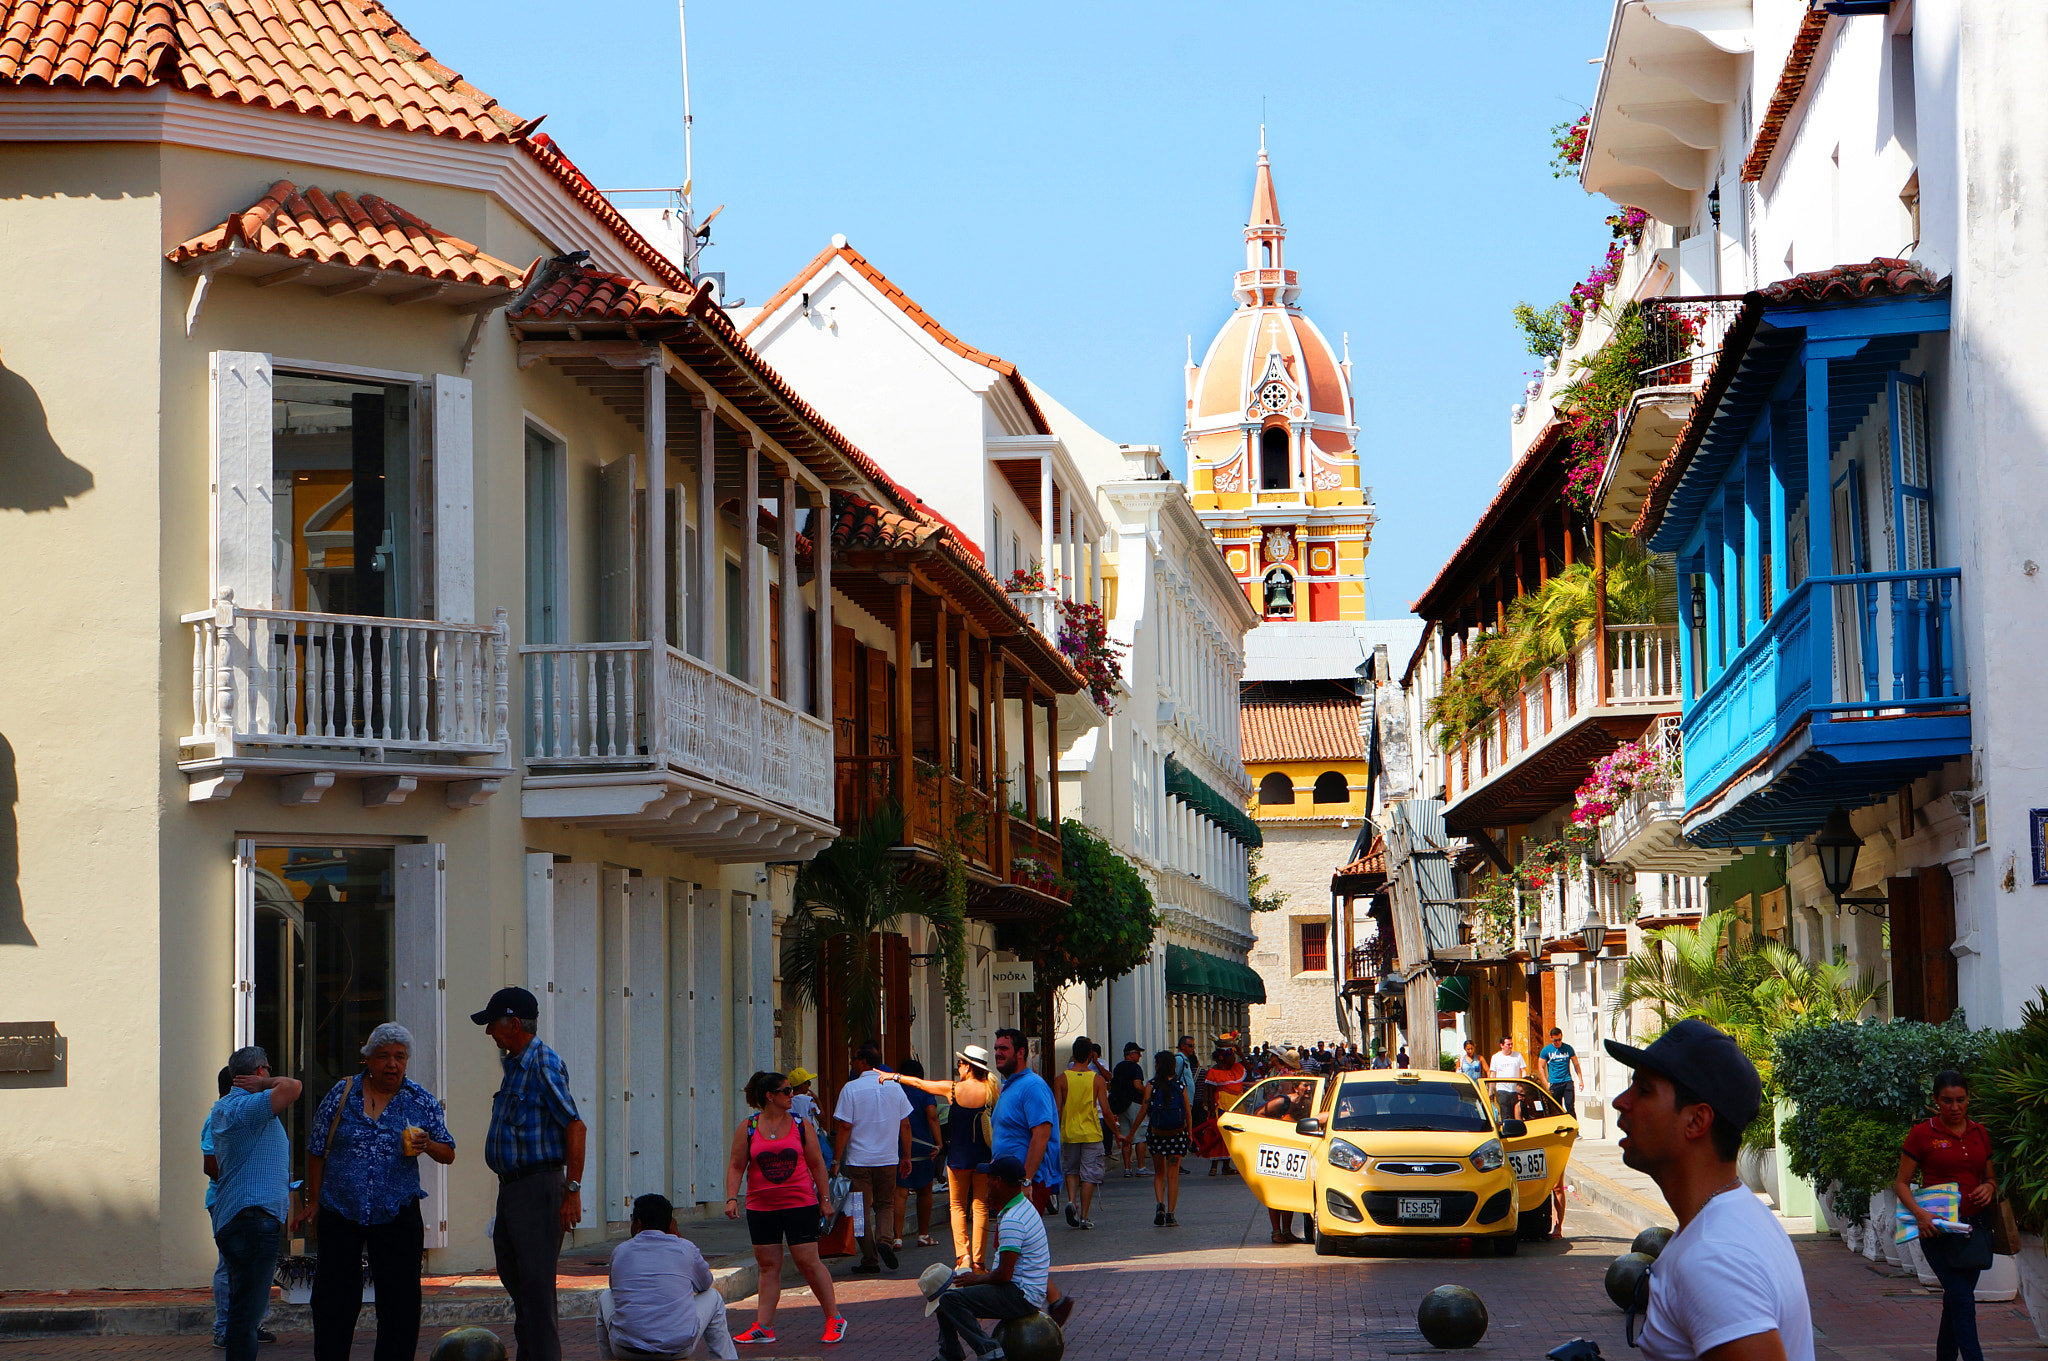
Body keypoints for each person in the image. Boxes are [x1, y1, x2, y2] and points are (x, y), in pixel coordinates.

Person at [1608, 1019, 1813, 1361]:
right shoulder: (1732, 1218)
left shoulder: (1711, 1257)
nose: (1620, 1101)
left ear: (1696, 1121)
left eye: (1643, 1090)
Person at [296, 1022, 456, 1361]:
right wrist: (314, 1199)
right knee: (333, 1302)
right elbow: (315, 1147)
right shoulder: (342, 1094)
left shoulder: (419, 1100)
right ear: (367, 1059)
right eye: (383, 1056)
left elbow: (449, 1152)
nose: (392, 1064)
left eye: (399, 1057)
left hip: (396, 1211)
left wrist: (427, 1145)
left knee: (399, 1305)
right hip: (341, 1210)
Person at [475, 986, 587, 1361]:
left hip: (538, 1188)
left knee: (537, 1294)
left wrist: (572, 1189)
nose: (490, 1032)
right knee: (520, 1286)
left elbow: (575, 1125)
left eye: (494, 1024)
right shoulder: (516, 1064)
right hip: (513, 1190)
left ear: (514, 1023)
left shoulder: (542, 1063)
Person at [724, 1070, 844, 1346]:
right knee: (768, 1266)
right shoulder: (749, 1127)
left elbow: (816, 1164)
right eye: (787, 1091)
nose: (792, 1095)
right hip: (761, 1207)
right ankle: (764, 1326)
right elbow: (736, 1165)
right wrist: (732, 1197)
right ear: (770, 1096)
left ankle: (834, 1318)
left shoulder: (802, 1125)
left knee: (808, 1262)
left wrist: (825, 1200)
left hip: (799, 1204)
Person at [1896, 1069, 1999, 1361]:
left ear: (1969, 1099)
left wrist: (1989, 1188)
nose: (1955, 1108)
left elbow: (1990, 1178)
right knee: (1963, 1301)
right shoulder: (1922, 1134)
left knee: (1955, 1303)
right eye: (1947, 1101)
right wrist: (1920, 1215)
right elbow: (1901, 1183)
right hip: (1937, 1232)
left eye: (1961, 1100)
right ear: (1935, 1101)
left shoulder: (1980, 1132)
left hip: (1974, 1231)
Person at [209, 1046, 302, 1361]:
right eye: (267, 1069)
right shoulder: (247, 1106)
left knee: (241, 1307)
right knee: (247, 1315)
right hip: (252, 1220)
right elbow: (293, 1087)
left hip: (241, 1218)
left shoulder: (227, 1108)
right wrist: (263, 1084)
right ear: (259, 1071)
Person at [922, 1157, 1051, 1361]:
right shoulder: (1020, 1207)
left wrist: (975, 1279)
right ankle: (949, 1351)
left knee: (949, 1299)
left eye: (988, 1178)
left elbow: (1005, 1275)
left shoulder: (1013, 1220)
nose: (986, 1183)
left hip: (1021, 1296)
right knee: (947, 1292)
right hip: (1023, 1290)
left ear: (997, 1181)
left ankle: (989, 1351)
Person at [883, 1047, 999, 1271]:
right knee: (981, 1206)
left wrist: (894, 1076)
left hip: (958, 1158)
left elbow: (919, 1084)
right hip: (984, 1157)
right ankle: (978, 1261)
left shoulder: (953, 1089)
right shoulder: (992, 1090)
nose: (958, 1068)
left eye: (960, 1064)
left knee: (957, 1206)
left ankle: (962, 1258)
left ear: (968, 1066)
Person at [988, 1029, 1071, 1326]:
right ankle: (1055, 1301)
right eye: (996, 1048)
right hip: (1010, 1184)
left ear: (1021, 1052)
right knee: (1013, 1247)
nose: (998, 1053)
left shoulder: (1033, 1087)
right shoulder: (1010, 1086)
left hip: (1025, 1184)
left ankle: (1028, 1314)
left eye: (1004, 1049)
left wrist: (1025, 1181)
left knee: (1009, 1248)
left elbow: (1041, 1134)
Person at [599, 1193, 739, 1360]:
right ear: (671, 1223)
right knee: (714, 1297)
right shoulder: (686, 1248)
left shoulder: (620, 1251)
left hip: (626, 1348)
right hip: (678, 1348)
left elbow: (616, 1290)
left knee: (605, 1296)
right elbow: (705, 1285)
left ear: (638, 1223)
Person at [203, 1065, 275, 1348]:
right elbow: (210, 1164)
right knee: (229, 1266)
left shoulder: (249, 1113)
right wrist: (242, 1179)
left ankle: (249, 1325)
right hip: (226, 1202)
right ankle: (224, 1328)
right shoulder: (219, 1115)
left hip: (249, 1202)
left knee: (252, 1268)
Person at [831, 1043, 911, 1275]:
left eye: (853, 1058)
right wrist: (906, 1155)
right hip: (887, 1158)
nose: (851, 1063)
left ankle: (869, 1257)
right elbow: (905, 1124)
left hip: (859, 1161)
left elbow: (845, 1126)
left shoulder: (851, 1089)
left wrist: (836, 1160)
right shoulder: (894, 1088)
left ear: (864, 1062)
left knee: (859, 1209)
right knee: (885, 1204)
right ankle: (885, 1241)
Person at [1054, 1037, 1112, 1228]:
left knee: (1070, 1171)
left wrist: (1055, 1133)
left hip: (1069, 1132)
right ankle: (1085, 1217)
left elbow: (1058, 1110)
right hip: (1091, 1133)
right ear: (1090, 1055)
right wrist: (1117, 1133)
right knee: (1088, 1175)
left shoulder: (1061, 1079)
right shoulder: (1097, 1080)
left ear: (1073, 1053)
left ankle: (1071, 1201)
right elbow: (1105, 1109)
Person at [893, 1057, 944, 1250]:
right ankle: (923, 1234)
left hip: (899, 1144)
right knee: (925, 1190)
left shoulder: (896, 1090)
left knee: (900, 1191)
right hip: (923, 1144)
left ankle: (897, 1237)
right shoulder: (924, 1092)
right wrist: (939, 1143)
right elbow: (932, 1115)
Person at [1144, 1049, 1192, 1227]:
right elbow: (1187, 1112)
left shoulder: (1152, 1085)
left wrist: (1131, 1133)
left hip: (1157, 1133)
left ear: (1157, 1065)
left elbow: (1144, 1109)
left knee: (1159, 1173)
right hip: (1177, 1134)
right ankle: (1171, 1214)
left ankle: (1159, 1204)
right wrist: (1190, 1133)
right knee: (1173, 1175)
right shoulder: (1180, 1086)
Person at [1201, 1042, 1247, 1175]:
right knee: (1218, 1136)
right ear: (1222, 1057)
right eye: (1231, 1056)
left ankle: (1226, 1166)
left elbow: (1249, 1069)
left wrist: (1241, 1053)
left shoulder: (1237, 1068)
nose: (1234, 1058)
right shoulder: (1214, 1072)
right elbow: (1209, 1091)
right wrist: (1211, 1112)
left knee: (1231, 1136)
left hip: (1236, 1107)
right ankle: (1214, 1166)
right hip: (1221, 1107)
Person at [1109, 1042, 1148, 1178]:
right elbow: (1137, 1085)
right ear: (1131, 1054)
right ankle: (1141, 1167)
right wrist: (1147, 1093)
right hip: (1134, 1103)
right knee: (1140, 1136)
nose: (1140, 1056)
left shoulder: (1118, 1067)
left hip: (1121, 1104)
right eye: (1138, 1053)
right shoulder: (1135, 1068)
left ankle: (1127, 1168)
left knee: (1125, 1136)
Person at [1540, 1027, 1584, 1117]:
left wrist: (1581, 1080)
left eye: (1559, 1040)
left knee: (1570, 1106)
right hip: (1554, 1082)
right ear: (1551, 1038)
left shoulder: (1568, 1048)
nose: (1557, 1042)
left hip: (1567, 1080)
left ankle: (1574, 1128)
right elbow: (1540, 1066)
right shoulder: (1546, 1050)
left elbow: (1576, 1064)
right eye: (1555, 1040)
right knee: (1557, 1108)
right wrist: (1546, 1082)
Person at [1488, 1036, 1526, 1121]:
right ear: (1501, 1045)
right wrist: (1490, 1092)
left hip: (1515, 1090)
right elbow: (1493, 1074)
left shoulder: (1518, 1055)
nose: (1510, 1046)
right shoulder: (1495, 1057)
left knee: (1516, 1113)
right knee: (1505, 1113)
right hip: (1502, 1090)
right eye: (1508, 1044)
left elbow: (1523, 1070)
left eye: (1511, 1044)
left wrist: (1523, 1086)